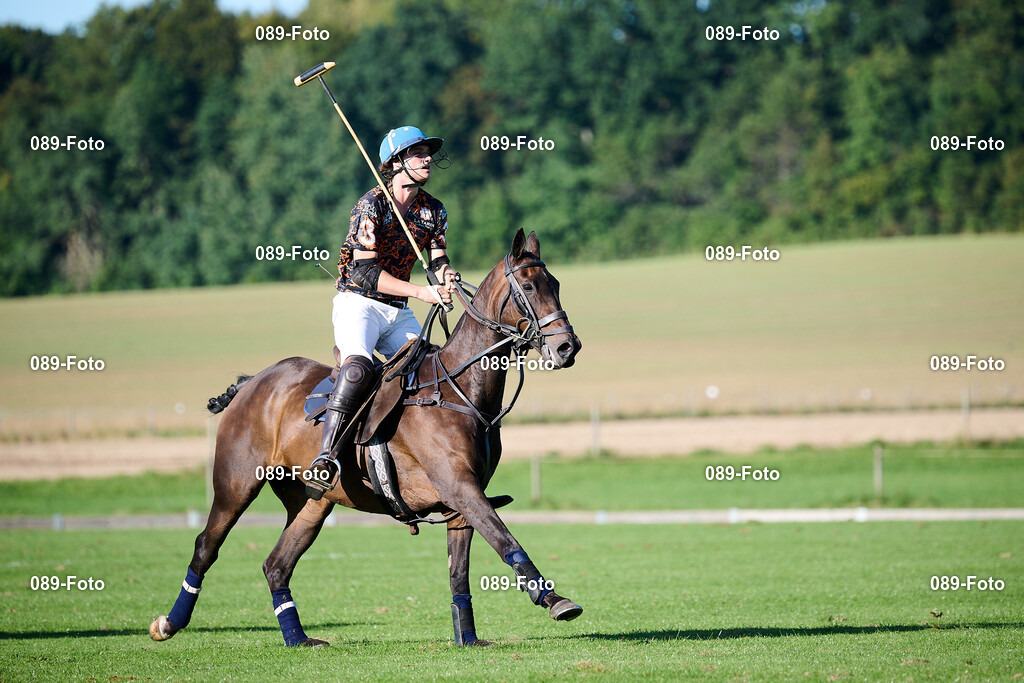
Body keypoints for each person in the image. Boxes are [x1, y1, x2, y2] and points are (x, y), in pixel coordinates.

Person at [305, 125, 457, 500]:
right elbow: (365, 272)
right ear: (395, 163)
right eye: (418, 152)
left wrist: (445, 276)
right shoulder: (370, 205)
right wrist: (422, 291)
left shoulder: (433, 210)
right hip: (359, 302)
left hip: (398, 309)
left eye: (427, 152)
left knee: (433, 371)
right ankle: (326, 458)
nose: (427, 159)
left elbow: (436, 261)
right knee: (358, 368)